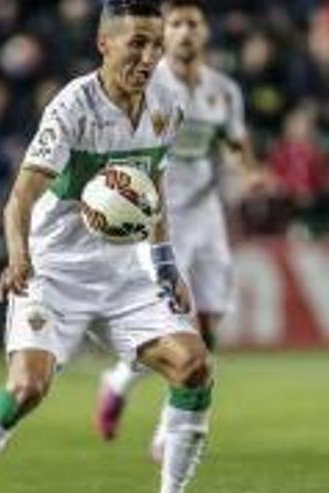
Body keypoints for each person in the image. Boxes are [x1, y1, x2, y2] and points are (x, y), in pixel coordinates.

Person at [0, 2, 212, 493]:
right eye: (137, 44)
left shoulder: (168, 105)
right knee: (26, 388)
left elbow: (154, 188)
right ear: (104, 44)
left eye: (156, 44)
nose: (149, 57)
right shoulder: (72, 107)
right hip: (54, 272)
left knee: (193, 366)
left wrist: (166, 266)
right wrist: (19, 256)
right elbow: (20, 195)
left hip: (125, 274)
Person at [95, 0, 263, 456]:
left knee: (207, 326)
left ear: (205, 31)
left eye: (194, 22)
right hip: (158, 217)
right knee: (167, 324)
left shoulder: (223, 90)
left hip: (206, 213)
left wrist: (248, 170)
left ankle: (169, 423)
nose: (186, 31)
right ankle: (119, 383)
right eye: (177, 23)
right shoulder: (148, 84)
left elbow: (235, 140)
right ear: (163, 33)